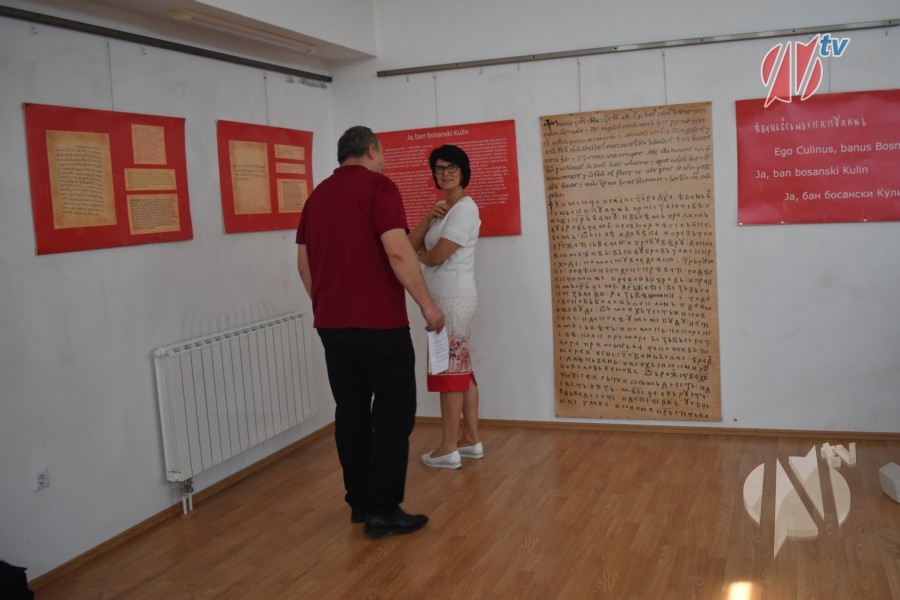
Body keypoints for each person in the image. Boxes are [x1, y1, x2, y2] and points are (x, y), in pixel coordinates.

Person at [296, 126, 445, 538]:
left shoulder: (316, 197)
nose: (384, 161)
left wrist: (326, 306)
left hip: (332, 325)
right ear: (371, 150)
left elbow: (304, 266)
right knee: (394, 413)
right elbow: (398, 251)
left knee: (351, 411)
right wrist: (428, 306)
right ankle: (383, 510)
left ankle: (360, 503)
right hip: (380, 324)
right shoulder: (380, 188)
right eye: (382, 153)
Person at [407, 144, 482, 470]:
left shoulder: (466, 208)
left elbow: (437, 255)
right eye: (440, 168)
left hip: (453, 300)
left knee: (449, 371)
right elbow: (408, 245)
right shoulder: (441, 208)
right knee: (461, 369)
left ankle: (448, 447)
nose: (446, 173)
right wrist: (427, 219)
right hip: (446, 299)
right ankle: (470, 440)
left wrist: (420, 258)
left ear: (463, 172)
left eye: (452, 167)